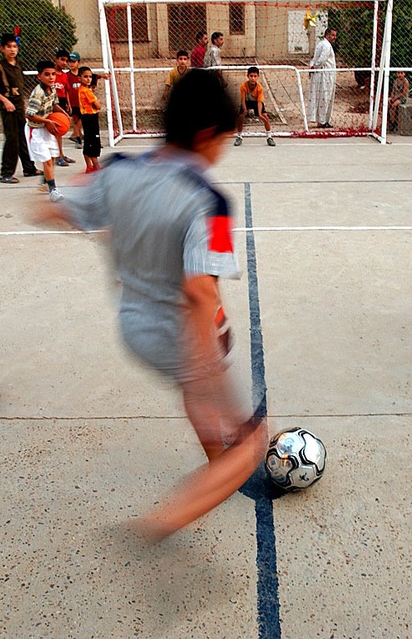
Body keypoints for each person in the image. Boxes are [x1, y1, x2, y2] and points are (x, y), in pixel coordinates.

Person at [40, 69, 269, 542]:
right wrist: (227, 397)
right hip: (180, 334)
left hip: (132, 328)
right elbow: (200, 292)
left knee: (193, 392)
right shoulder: (211, 203)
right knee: (253, 441)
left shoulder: (119, 169)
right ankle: (166, 519)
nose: (220, 154)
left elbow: (58, 209)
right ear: (207, 134)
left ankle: (213, 461)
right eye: (223, 142)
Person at [0, 32, 39, 184]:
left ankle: (29, 167)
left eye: (15, 46)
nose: (12, 50)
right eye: (9, 47)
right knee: (12, 139)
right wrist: (5, 101)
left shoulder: (18, 64)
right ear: (2, 48)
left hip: (18, 105)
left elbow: (20, 85)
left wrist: (22, 102)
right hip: (8, 107)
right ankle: (6, 172)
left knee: (23, 136)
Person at [26, 60, 67, 202]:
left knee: (54, 156)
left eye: (53, 74)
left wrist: (63, 114)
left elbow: (54, 104)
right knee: (47, 160)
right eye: (47, 74)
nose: (51, 77)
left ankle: (45, 179)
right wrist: (47, 121)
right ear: (39, 76)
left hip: (46, 128)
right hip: (36, 130)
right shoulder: (38, 93)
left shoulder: (52, 89)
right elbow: (29, 114)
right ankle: (53, 190)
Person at [234, 67, 275, 146]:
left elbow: (259, 102)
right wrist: (245, 109)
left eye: (255, 76)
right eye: (251, 76)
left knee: (265, 116)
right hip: (247, 102)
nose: (253, 78)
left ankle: (269, 137)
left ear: (258, 76)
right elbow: (242, 99)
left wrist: (259, 114)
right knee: (241, 117)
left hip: (256, 103)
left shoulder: (259, 87)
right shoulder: (243, 86)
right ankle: (239, 136)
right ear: (247, 76)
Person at [309, 28, 338, 128]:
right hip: (325, 75)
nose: (335, 37)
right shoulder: (325, 45)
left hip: (323, 74)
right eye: (333, 35)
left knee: (323, 97)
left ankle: (322, 120)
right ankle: (322, 121)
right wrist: (314, 66)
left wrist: (313, 66)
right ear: (327, 35)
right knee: (325, 97)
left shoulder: (322, 44)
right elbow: (321, 60)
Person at [52, 49, 76, 167]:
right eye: (62, 60)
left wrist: (68, 103)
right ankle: (57, 155)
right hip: (53, 103)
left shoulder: (64, 76)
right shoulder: (51, 74)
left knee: (60, 130)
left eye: (66, 61)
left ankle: (60, 154)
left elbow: (66, 91)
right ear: (56, 59)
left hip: (62, 101)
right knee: (56, 130)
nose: (64, 63)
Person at [77, 67, 103, 172]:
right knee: (93, 142)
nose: (88, 79)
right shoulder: (87, 91)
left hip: (85, 117)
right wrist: (98, 101)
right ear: (79, 78)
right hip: (91, 117)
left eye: (90, 77)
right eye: (85, 76)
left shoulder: (80, 89)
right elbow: (98, 106)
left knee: (87, 141)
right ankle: (96, 166)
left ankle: (89, 166)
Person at [67, 52, 84, 148]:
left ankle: (79, 135)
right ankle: (78, 138)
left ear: (78, 63)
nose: (71, 64)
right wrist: (68, 103)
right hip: (73, 102)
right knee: (75, 120)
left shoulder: (82, 74)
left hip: (82, 102)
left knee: (82, 119)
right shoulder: (68, 76)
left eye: (73, 62)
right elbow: (67, 90)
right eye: (70, 62)